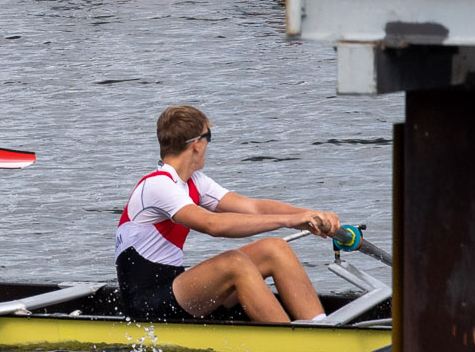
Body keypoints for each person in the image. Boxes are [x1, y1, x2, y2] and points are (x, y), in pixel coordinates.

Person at [112, 104, 340, 324]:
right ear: (196, 145)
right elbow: (212, 224)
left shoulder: (195, 182)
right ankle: (294, 345)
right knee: (234, 263)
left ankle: (322, 327)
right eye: (208, 137)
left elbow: (254, 208)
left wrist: (311, 215)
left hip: (177, 291)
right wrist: (289, 221)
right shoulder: (157, 185)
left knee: (274, 248)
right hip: (147, 306)